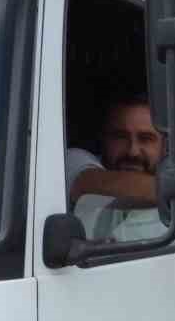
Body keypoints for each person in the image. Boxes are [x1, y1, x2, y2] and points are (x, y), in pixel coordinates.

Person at [65, 93, 167, 242]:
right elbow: (104, 184)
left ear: (165, 147)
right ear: (103, 139)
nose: (133, 151)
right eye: (120, 137)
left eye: (146, 138)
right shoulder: (73, 160)